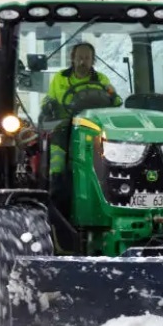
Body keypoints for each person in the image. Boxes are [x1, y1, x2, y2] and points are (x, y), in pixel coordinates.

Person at [40, 42, 122, 209]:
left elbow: (116, 101)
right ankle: (56, 192)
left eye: (87, 58)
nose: (83, 61)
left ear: (93, 60)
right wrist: (49, 105)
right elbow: (48, 99)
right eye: (79, 58)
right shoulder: (60, 78)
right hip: (66, 125)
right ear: (73, 59)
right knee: (57, 156)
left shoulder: (102, 80)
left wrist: (112, 95)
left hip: (93, 127)